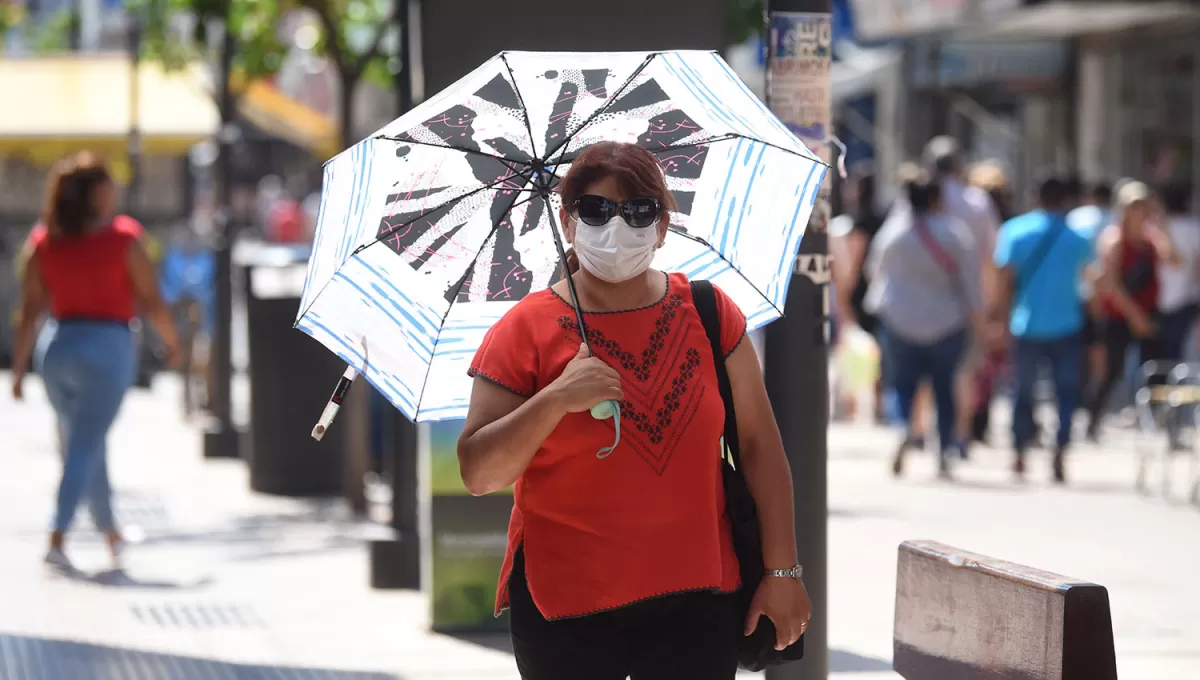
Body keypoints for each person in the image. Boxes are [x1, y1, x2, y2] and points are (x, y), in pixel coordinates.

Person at [457, 142, 812, 679]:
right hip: (566, 613)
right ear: (568, 222)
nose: (616, 228)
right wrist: (555, 398)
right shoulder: (523, 331)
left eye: (638, 211)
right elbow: (479, 473)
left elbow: (762, 448)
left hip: (697, 604)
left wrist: (783, 570)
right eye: (596, 210)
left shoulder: (710, 312)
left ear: (663, 225)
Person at [9, 151, 181, 571]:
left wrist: (17, 370)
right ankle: (57, 534)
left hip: (57, 348)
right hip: (108, 349)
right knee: (85, 443)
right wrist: (173, 342)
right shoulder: (124, 238)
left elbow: (30, 311)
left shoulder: (44, 240)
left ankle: (111, 535)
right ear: (97, 193)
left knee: (85, 441)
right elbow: (152, 299)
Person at [866, 165, 985, 478]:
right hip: (947, 323)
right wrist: (979, 318)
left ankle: (903, 427)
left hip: (899, 321)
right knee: (944, 390)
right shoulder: (955, 234)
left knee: (900, 386)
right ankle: (944, 450)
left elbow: (875, 275)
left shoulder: (891, 235)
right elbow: (972, 282)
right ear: (936, 199)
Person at [993, 176, 1095, 483]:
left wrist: (998, 319)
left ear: (1036, 196)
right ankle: (1060, 450)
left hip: (1026, 324)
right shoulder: (1077, 236)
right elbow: (1092, 278)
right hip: (1067, 325)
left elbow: (1004, 282)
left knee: (1023, 392)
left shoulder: (1015, 231)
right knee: (1066, 393)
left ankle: (1019, 452)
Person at [923, 137, 1003, 457]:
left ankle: (926, 430)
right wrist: (991, 306)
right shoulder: (977, 202)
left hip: (924, 300)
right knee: (965, 370)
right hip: (969, 299)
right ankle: (959, 434)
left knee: (927, 371)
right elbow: (991, 256)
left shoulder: (917, 199)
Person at [1085, 181, 1179, 440]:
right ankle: (1092, 421)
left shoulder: (1151, 237)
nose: (1140, 211)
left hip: (1147, 313)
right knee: (1111, 371)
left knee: (1158, 369)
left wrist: (1162, 226)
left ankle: (1158, 422)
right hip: (1119, 316)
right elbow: (1112, 284)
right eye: (1135, 206)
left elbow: (1174, 259)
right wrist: (1135, 316)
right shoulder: (1114, 239)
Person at [831, 165, 887, 422]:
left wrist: (843, 297)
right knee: (878, 350)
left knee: (855, 347)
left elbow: (854, 264)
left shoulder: (857, 223)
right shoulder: (885, 219)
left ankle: (854, 404)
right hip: (881, 292)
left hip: (861, 293)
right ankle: (878, 403)